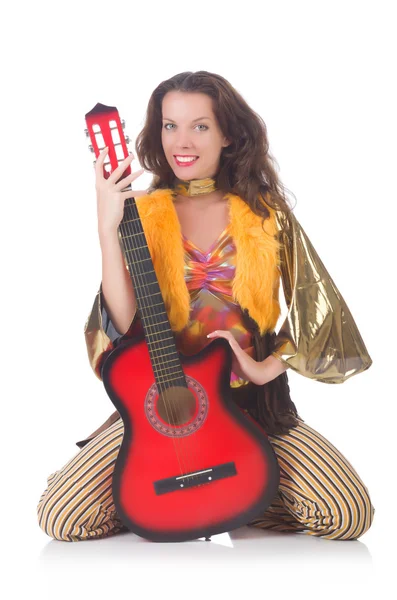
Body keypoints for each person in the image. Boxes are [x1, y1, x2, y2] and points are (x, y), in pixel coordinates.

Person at [37, 71, 375, 542]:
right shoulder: (144, 212)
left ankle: (237, 493)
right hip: (165, 407)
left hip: (249, 407)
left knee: (346, 515)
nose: (182, 141)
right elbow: (120, 321)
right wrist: (106, 227)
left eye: (200, 126)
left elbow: (321, 313)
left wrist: (266, 368)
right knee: (63, 520)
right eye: (170, 126)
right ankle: (167, 495)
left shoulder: (267, 214)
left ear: (228, 134)